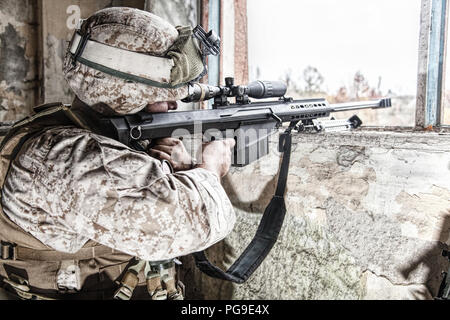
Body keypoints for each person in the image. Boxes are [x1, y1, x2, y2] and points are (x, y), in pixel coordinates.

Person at [0, 7, 236, 300]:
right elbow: (194, 222)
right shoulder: (62, 158)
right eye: (164, 96)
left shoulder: (86, 136)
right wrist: (211, 167)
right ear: (126, 95)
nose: (175, 106)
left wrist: (183, 168)